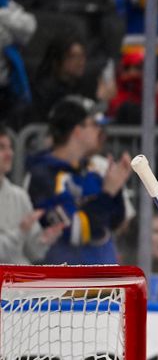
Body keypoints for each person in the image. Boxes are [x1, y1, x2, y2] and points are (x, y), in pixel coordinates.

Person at [27, 95, 132, 265]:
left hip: (102, 277)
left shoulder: (91, 170)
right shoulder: (43, 176)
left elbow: (114, 222)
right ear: (77, 131)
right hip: (67, 283)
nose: (101, 132)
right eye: (95, 125)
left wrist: (116, 188)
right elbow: (74, 231)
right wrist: (107, 192)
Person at [0, 125, 63, 263]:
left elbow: (34, 252)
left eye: (10, 147)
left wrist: (45, 239)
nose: (9, 153)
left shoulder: (19, 196)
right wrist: (20, 231)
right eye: (1, 148)